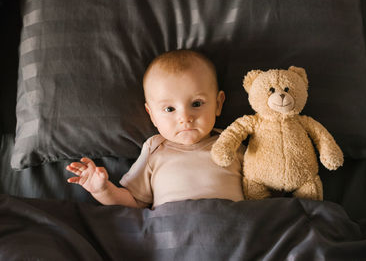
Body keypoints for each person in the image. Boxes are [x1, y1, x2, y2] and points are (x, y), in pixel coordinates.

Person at [66, 49, 244, 208]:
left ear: (218, 104)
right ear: (151, 115)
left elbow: (260, 185)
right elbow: (133, 202)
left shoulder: (233, 143)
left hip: (230, 226)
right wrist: (102, 190)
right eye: (169, 109)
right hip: (172, 230)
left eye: (196, 104)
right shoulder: (155, 150)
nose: (185, 118)